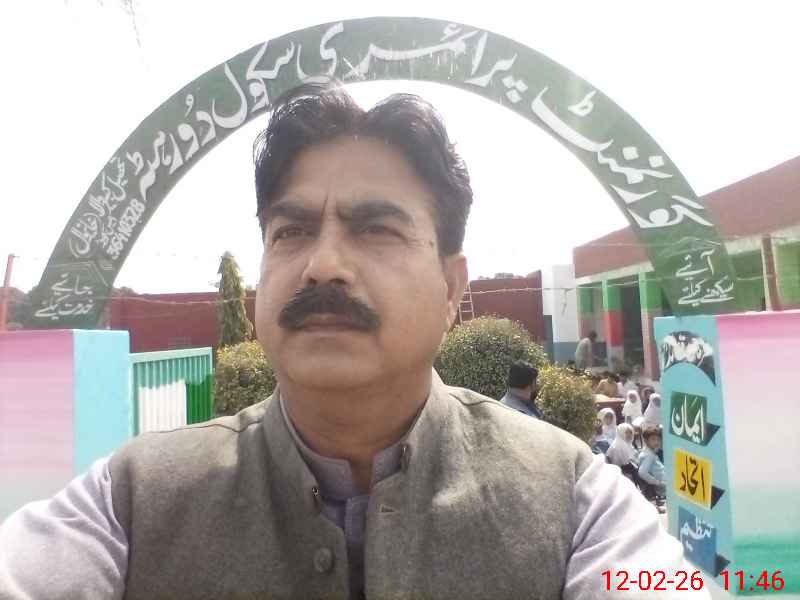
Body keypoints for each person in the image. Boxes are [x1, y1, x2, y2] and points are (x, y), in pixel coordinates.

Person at [0, 84, 705, 599]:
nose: (323, 264)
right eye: (292, 231)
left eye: (376, 229)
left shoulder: (576, 498)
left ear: (452, 287)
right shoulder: (132, 499)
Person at [638, 426, 666, 493]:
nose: (656, 442)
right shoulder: (649, 455)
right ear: (646, 440)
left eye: (658, 439)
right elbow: (642, 472)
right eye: (653, 439)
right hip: (663, 488)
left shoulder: (649, 452)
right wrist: (657, 483)